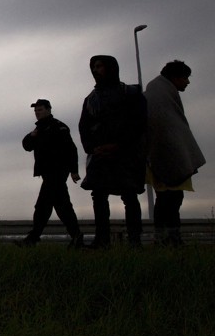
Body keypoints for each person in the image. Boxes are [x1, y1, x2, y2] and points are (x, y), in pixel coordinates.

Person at [78, 55, 147, 249]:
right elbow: (84, 126)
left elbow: (139, 123)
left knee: (129, 195)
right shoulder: (91, 99)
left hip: (125, 154)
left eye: (99, 66)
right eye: (93, 67)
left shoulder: (130, 93)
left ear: (110, 68)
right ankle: (102, 239)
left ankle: (135, 240)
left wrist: (118, 145)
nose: (95, 70)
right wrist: (93, 148)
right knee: (99, 196)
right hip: (100, 155)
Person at [144, 61, 206, 246]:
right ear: (175, 77)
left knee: (168, 200)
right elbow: (164, 128)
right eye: (185, 78)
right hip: (166, 157)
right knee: (170, 201)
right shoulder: (160, 94)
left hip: (162, 157)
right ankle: (169, 239)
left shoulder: (159, 92)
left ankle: (166, 238)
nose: (187, 82)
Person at [15, 99, 83, 248]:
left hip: (57, 173)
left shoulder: (59, 127)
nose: (37, 113)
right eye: (36, 111)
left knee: (43, 206)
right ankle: (77, 237)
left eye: (40, 110)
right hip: (48, 173)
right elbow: (26, 146)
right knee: (61, 206)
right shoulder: (38, 130)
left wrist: (74, 170)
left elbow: (71, 150)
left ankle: (33, 238)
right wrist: (32, 136)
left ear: (48, 110)